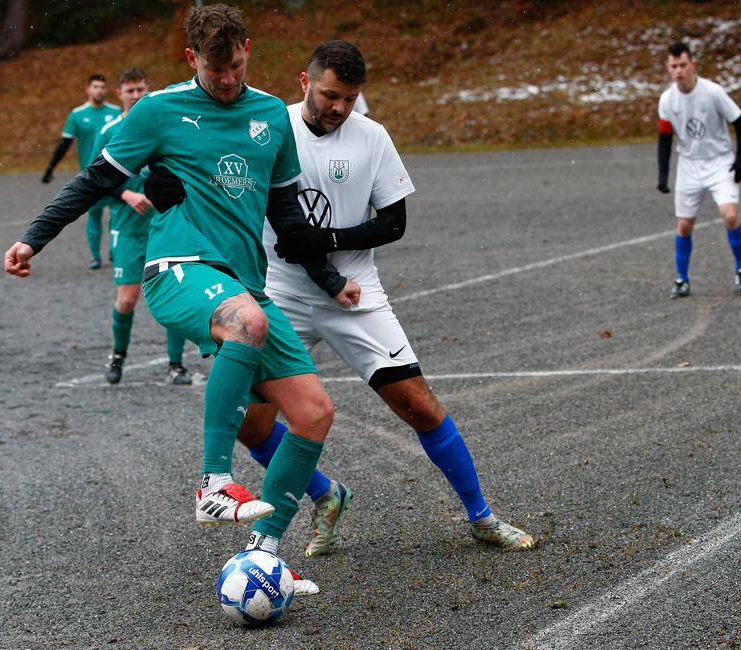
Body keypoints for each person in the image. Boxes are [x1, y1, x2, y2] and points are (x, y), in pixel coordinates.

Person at [5, 4, 359, 593]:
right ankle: (214, 485)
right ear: (193, 58)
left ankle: (264, 556)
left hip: (243, 283)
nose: (227, 80)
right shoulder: (158, 111)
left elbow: (288, 216)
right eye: (216, 69)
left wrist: (327, 279)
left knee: (314, 412)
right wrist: (32, 239)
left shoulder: (272, 114)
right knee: (246, 322)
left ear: (249, 49)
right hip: (177, 269)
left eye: (237, 66)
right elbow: (95, 179)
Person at [151, 41, 536, 555]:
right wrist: (164, 181)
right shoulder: (263, 124)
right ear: (304, 82)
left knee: (419, 407)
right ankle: (324, 496)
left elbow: (393, 222)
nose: (339, 108)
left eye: (350, 98)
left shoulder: (372, 137)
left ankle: (482, 516)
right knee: (250, 424)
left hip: (356, 295)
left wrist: (328, 241)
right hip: (276, 296)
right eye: (331, 95)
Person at [91, 68, 194, 386]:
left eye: (140, 89)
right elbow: (95, 179)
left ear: (149, 90)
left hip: (164, 226)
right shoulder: (110, 130)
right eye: (129, 90)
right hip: (127, 226)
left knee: (174, 293)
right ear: (119, 94)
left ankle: (176, 364)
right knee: (128, 298)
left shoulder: (165, 125)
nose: (135, 95)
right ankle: (118, 355)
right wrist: (125, 193)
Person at [657, 41, 741, 299]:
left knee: (730, 217)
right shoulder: (667, 99)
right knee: (685, 224)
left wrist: (740, 160)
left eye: (683, 65)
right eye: (674, 66)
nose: (679, 71)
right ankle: (682, 279)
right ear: (668, 68)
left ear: (693, 65)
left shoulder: (713, 92)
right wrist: (663, 174)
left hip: (720, 161)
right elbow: (665, 138)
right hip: (690, 165)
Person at [42, 74, 121, 270]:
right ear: (88, 89)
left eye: (103, 87)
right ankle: (95, 256)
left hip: (116, 173)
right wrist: (51, 168)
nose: (99, 90)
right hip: (92, 174)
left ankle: (115, 252)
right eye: (95, 87)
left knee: (117, 213)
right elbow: (64, 144)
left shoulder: (116, 112)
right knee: (94, 214)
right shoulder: (77, 115)